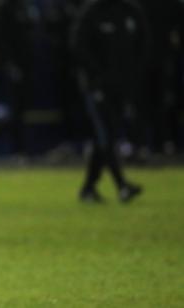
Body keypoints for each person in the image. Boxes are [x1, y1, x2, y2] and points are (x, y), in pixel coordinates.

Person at [72, 0, 148, 203]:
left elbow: (141, 47)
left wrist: (132, 79)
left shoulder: (131, 11)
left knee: (105, 137)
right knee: (106, 133)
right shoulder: (91, 12)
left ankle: (88, 188)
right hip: (97, 87)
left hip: (122, 87)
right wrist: (96, 79)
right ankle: (121, 185)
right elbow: (79, 48)